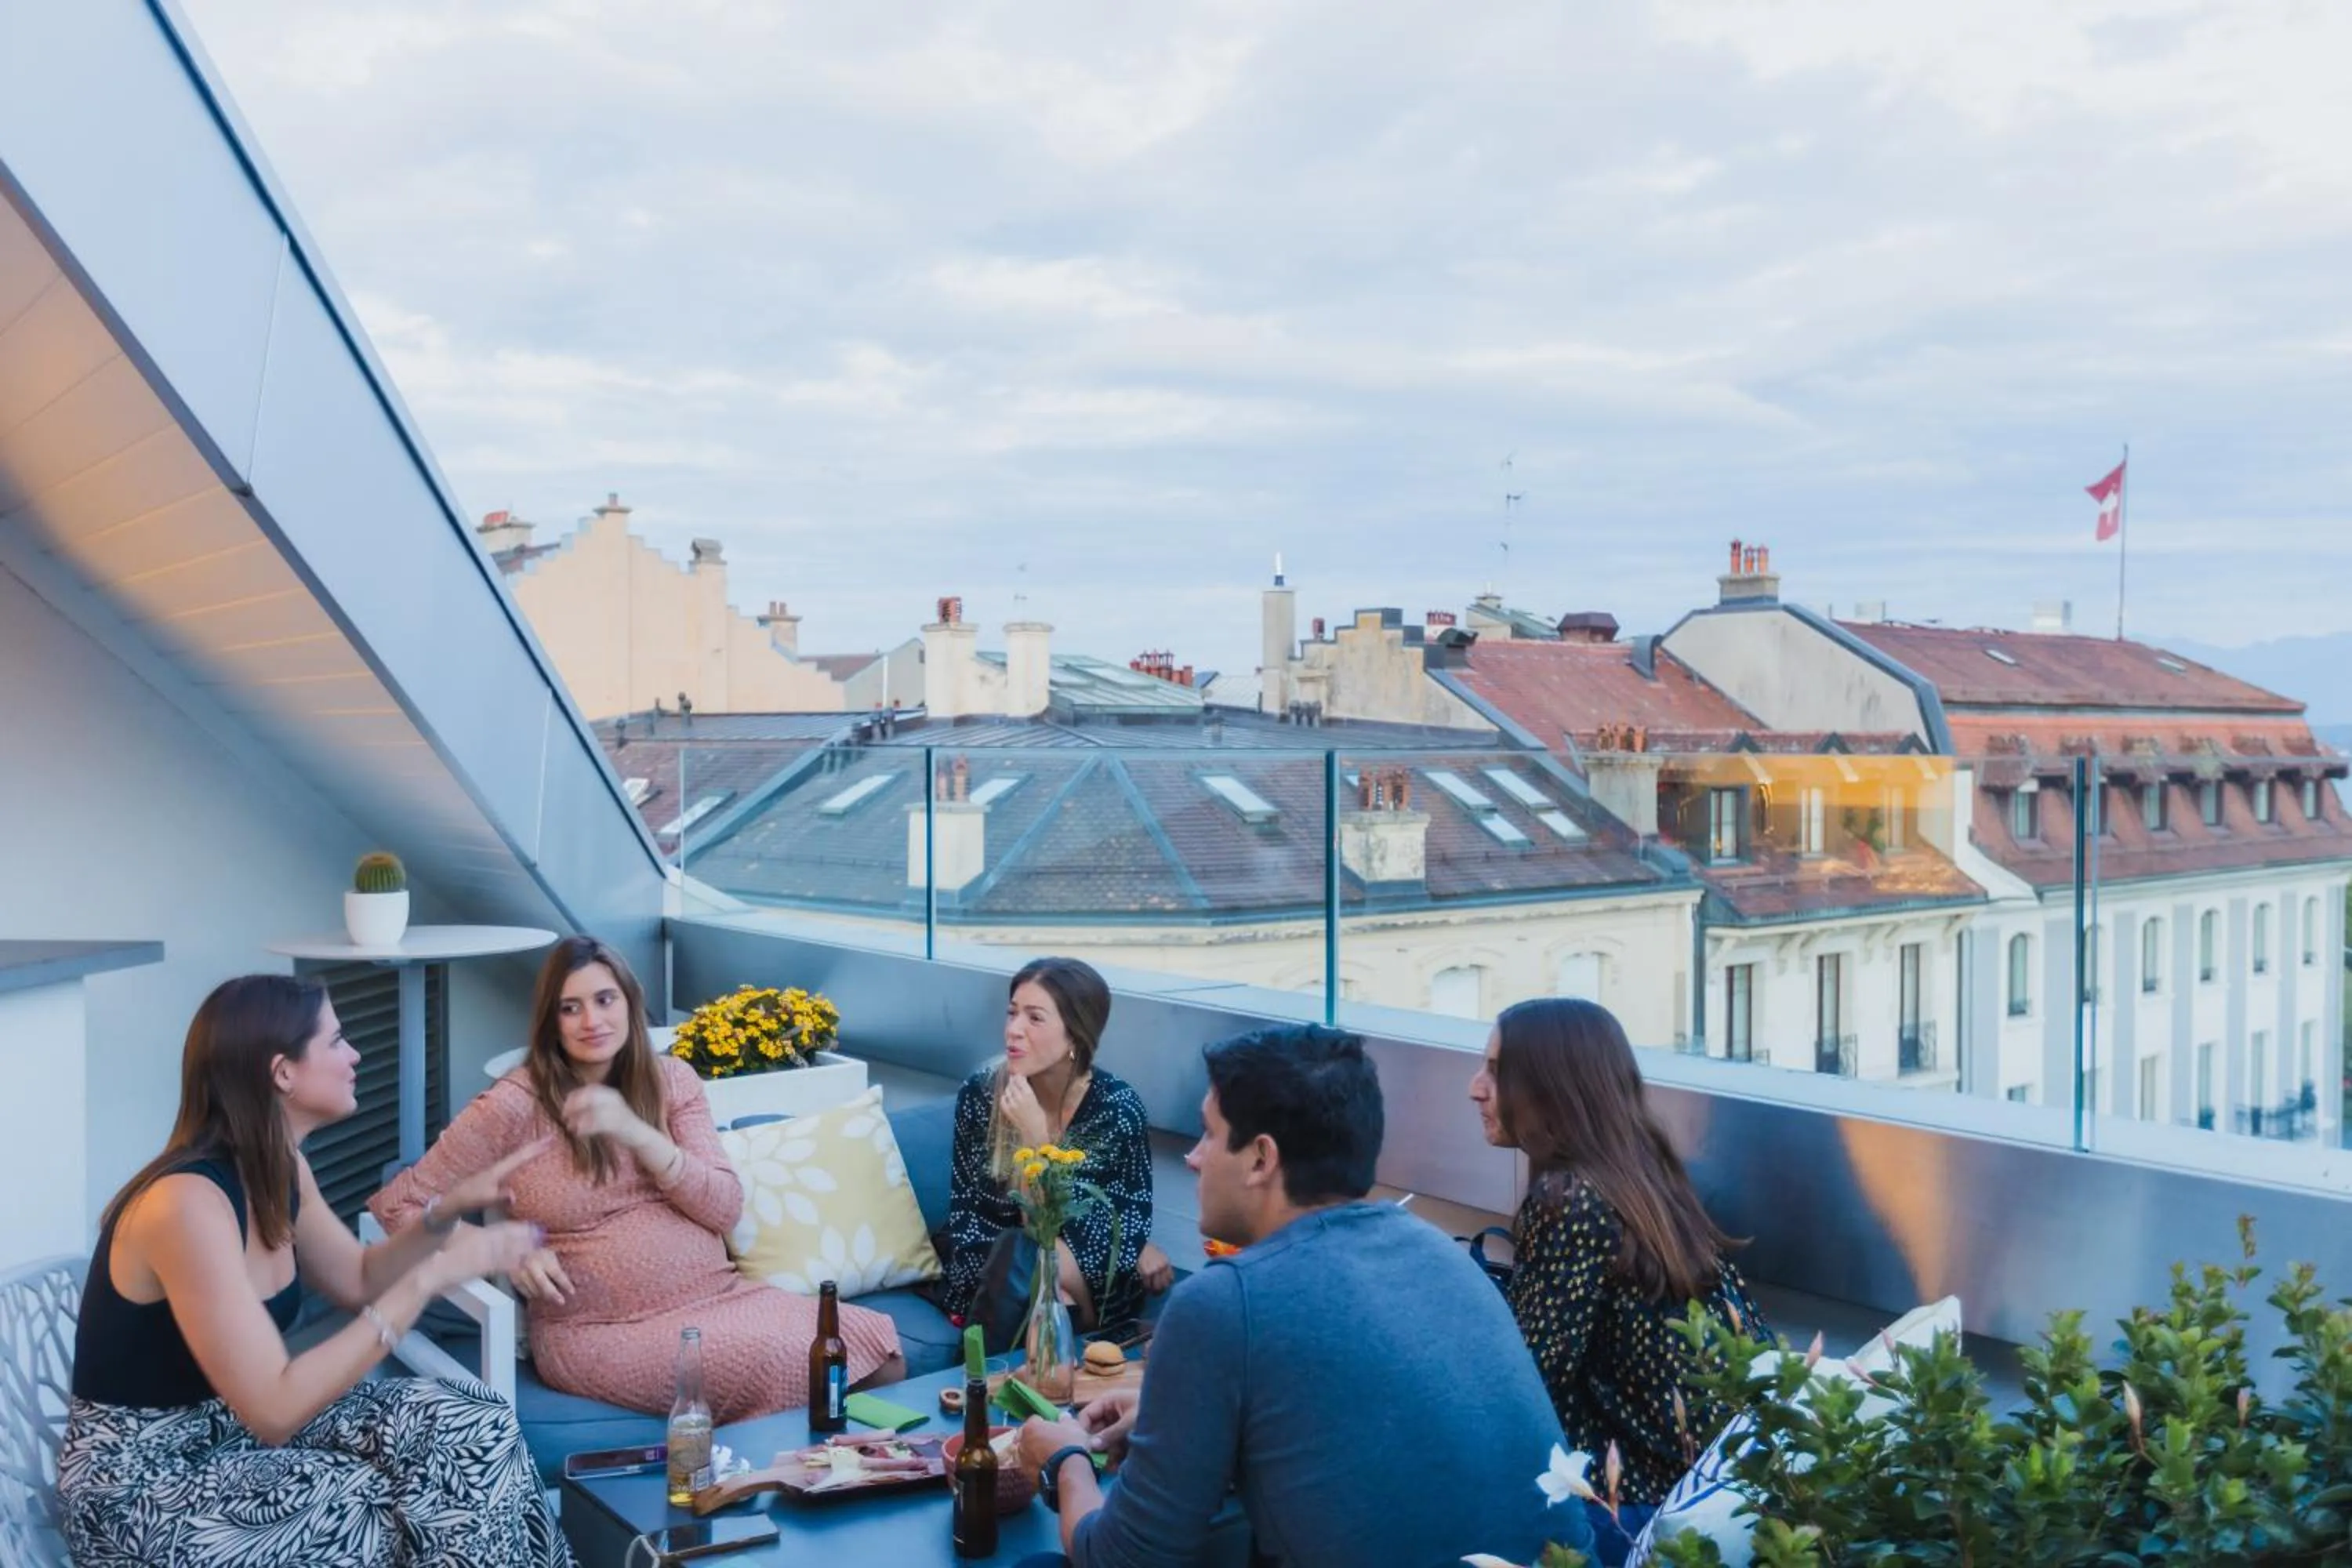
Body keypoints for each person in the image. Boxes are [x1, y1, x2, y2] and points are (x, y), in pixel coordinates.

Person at [1014, 1024, 1589, 1568]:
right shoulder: (1440, 1253)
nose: (1193, 1158)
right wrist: (1181, 1421)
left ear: (1262, 1158)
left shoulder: (1222, 1303)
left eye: (1210, 1134)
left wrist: (1065, 1458)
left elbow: (1122, 1559)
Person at [59, 974, 570, 1567]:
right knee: (374, 1504)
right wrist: (427, 1280)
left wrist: (442, 1217)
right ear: (283, 1073)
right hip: (144, 1487)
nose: (355, 1055)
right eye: (337, 1041)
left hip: (225, 1430)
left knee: (468, 1419)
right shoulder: (186, 1205)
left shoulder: (279, 1165)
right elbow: (273, 1411)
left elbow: (357, 1279)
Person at [372, 936, 902, 1421]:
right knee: (786, 1363)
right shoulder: (516, 1103)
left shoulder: (672, 1081)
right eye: (570, 1008)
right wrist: (499, 1247)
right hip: (602, 1331)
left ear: (629, 1001)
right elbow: (399, 1203)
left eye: (605, 1000)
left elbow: (723, 1208)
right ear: (550, 1022)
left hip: (721, 1298)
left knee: (875, 1346)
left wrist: (636, 1132)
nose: (591, 1021)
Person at [1468, 997, 1769, 1563]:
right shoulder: (1640, 1175)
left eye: (1496, 1071)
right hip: (1710, 1492)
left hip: (1634, 1507)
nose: (1475, 1088)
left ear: (1552, 1087)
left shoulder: (1569, 1201)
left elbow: (1528, 1382)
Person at [941, 957, 1171, 1338]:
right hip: (993, 1264)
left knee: (1037, 1260)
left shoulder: (1116, 1110)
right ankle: (1000, 1380)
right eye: (1012, 1013)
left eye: (1035, 1018)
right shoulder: (982, 1094)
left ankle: (976, 1380)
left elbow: (1104, 1236)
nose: (1013, 1030)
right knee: (1030, 1269)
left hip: (1090, 1275)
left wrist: (1037, 1142)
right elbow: (970, 1215)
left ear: (1075, 1036)